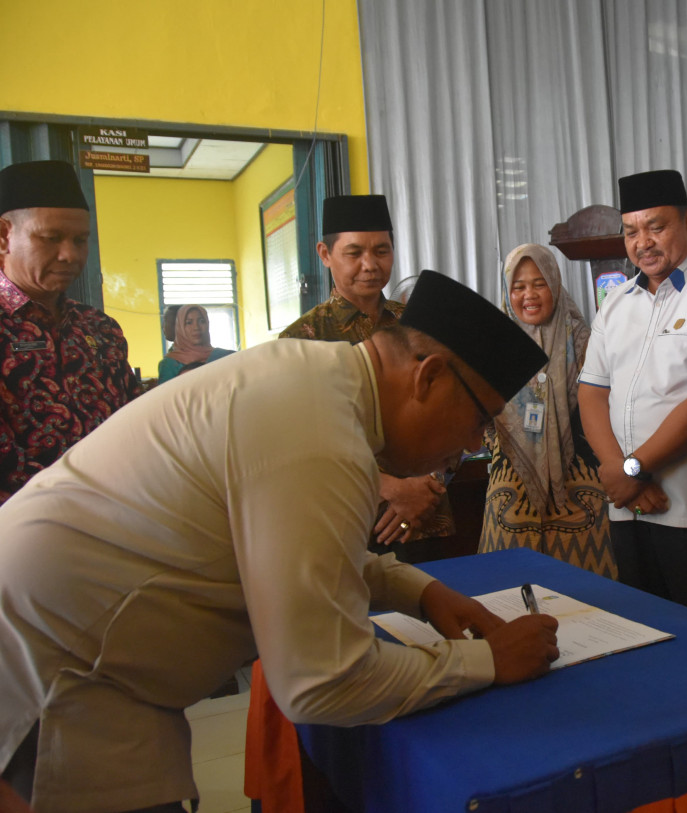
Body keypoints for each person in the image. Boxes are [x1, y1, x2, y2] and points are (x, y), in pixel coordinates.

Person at [0, 270, 558, 812]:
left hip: (65, 649)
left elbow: (283, 550)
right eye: (479, 419)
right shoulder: (322, 437)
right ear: (428, 377)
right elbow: (322, 682)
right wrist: (487, 661)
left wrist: (419, 591)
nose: (471, 443)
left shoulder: (313, 382)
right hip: (53, 678)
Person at [578, 169, 687, 614]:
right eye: (630, 232)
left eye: (656, 226)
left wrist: (634, 469)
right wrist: (620, 473)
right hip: (627, 506)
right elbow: (592, 392)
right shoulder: (616, 303)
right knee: (640, 629)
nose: (642, 242)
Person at [281, 194, 448, 555]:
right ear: (325, 254)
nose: (370, 265)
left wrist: (427, 484)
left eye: (382, 251)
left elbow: (453, 410)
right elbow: (301, 441)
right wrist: (388, 487)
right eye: (354, 253)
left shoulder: (421, 324)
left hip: (426, 513)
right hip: (345, 520)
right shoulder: (301, 339)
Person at [0, 159, 141, 506]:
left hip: (120, 517)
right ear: (4, 236)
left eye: (80, 240)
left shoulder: (100, 328)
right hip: (23, 533)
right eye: (51, 238)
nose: (70, 255)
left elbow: (136, 424)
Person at [479, 243, 615, 577]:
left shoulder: (585, 339)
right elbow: (478, 413)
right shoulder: (493, 345)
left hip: (580, 480)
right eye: (519, 286)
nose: (530, 295)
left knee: (590, 593)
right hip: (511, 482)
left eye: (539, 283)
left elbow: (605, 404)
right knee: (509, 590)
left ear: (554, 283)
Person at [156, 304, 235, 381]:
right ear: (180, 327)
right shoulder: (170, 364)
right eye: (189, 323)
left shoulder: (226, 357)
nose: (196, 327)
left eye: (202, 321)